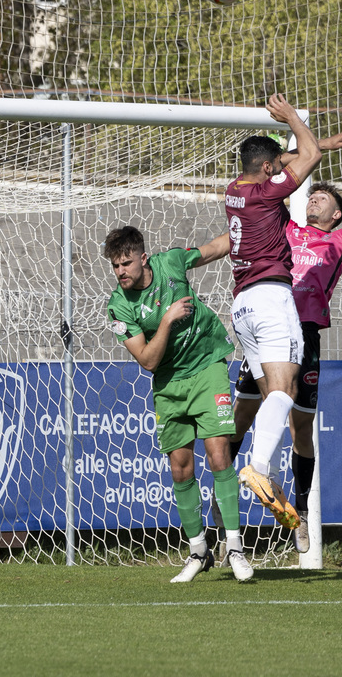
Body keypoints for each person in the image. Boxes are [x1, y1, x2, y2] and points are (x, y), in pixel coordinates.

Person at [231, 143, 342, 553]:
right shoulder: (284, 226)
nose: (315, 198)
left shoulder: (340, 243)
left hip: (303, 335)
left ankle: (301, 514)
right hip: (269, 324)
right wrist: (308, 146)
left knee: (300, 427)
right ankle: (225, 510)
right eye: (312, 195)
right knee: (240, 417)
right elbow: (272, 171)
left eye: (323, 197)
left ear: (337, 214)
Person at [103, 225, 254, 583]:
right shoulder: (119, 306)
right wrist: (168, 320)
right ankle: (198, 551)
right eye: (115, 266)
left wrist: (252, 226)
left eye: (126, 263)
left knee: (219, 453)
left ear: (143, 258)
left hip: (208, 367)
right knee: (180, 469)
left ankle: (234, 547)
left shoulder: (171, 262)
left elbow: (215, 248)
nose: (121, 272)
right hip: (169, 381)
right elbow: (149, 360)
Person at [223, 94, 330, 530]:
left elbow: (289, 156)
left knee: (269, 396)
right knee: (285, 394)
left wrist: (311, 141)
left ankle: (255, 495)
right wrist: (290, 118)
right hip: (271, 298)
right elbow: (311, 154)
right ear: (269, 169)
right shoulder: (270, 192)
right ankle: (259, 467)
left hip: (241, 305)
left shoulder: (234, 189)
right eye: (275, 166)